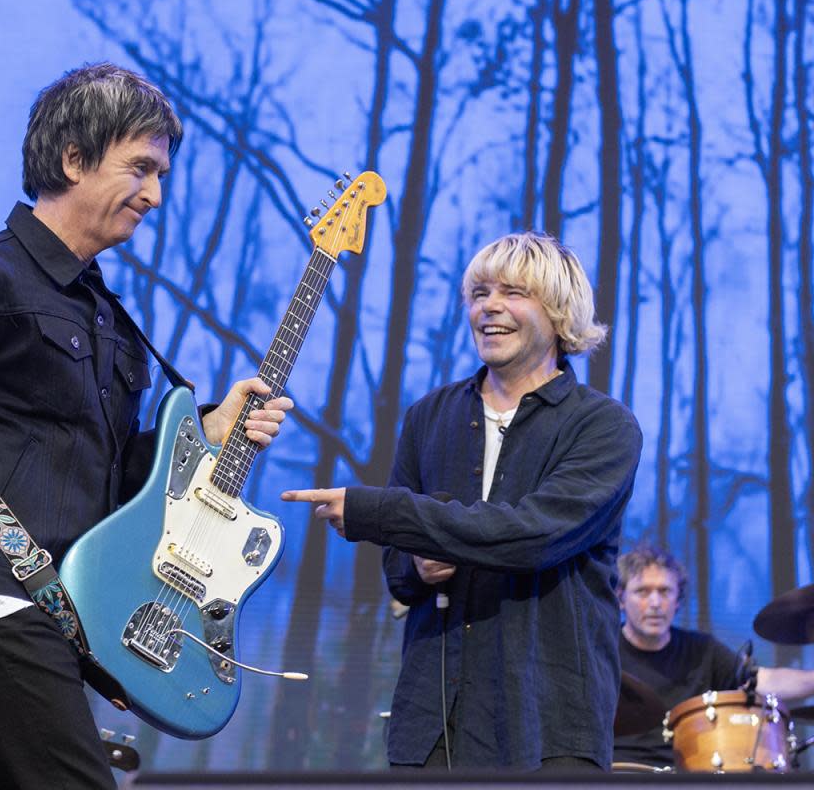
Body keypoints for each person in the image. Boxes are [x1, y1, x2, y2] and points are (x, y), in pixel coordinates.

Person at [0, 63, 293, 790]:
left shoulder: (113, 323)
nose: (156, 194)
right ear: (73, 159)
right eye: (141, 168)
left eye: (162, 174)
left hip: (63, 615)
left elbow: (114, 480)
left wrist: (205, 433)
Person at [283, 232, 643, 771]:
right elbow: (397, 573)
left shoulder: (602, 427)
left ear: (560, 311)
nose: (489, 307)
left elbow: (532, 536)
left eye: (513, 292)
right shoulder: (429, 416)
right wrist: (416, 565)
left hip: (548, 725)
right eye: (478, 293)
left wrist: (375, 512)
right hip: (432, 722)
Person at [614, 543, 814, 768]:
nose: (655, 603)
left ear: (678, 600)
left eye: (665, 591)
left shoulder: (703, 651)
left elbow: (763, 681)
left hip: (688, 776)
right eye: (642, 591)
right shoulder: (604, 651)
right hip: (616, 773)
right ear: (620, 598)